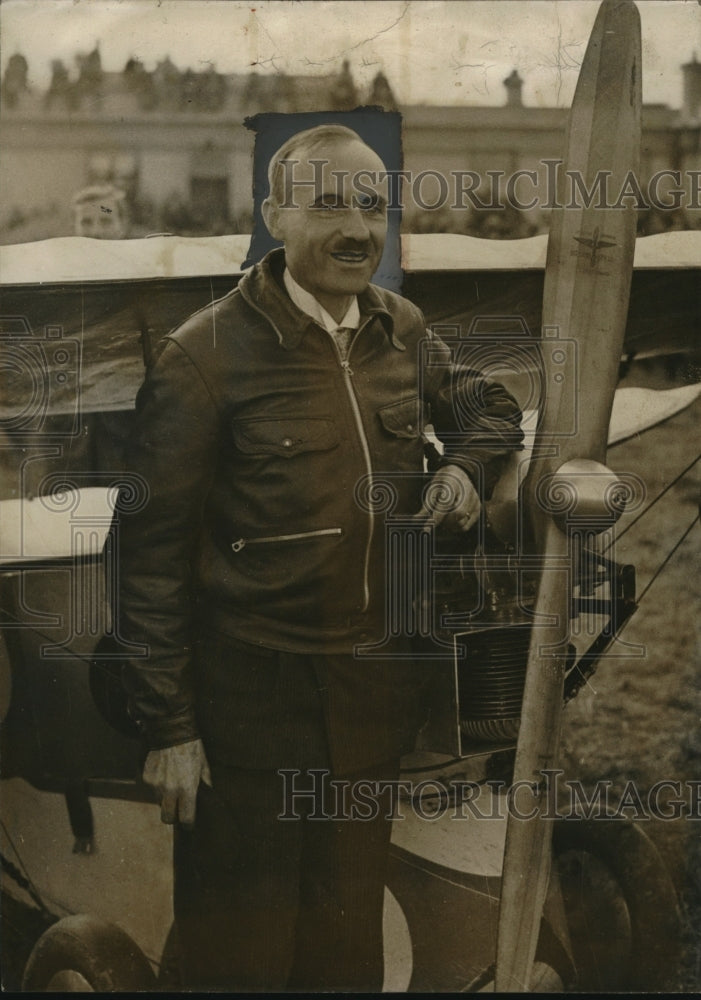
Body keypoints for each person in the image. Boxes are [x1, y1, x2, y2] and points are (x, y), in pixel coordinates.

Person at [118, 123, 523, 990]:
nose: (356, 230)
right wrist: (172, 728)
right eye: (328, 204)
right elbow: (146, 556)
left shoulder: (402, 329)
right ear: (273, 216)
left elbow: (490, 409)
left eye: (373, 208)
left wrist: (460, 466)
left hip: (367, 701)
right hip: (245, 719)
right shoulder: (204, 355)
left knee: (345, 958)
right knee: (242, 962)